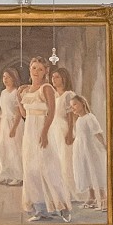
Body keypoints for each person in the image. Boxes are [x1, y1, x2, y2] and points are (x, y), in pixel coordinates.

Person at [19, 56, 70, 222]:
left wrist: (44, 132)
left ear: (45, 72)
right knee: (31, 168)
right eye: (34, 68)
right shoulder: (25, 90)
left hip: (43, 128)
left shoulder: (46, 88)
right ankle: (40, 209)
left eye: (40, 69)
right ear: (30, 69)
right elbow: (24, 114)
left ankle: (60, 206)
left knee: (48, 167)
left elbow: (52, 112)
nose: (36, 72)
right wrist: (19, 99)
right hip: (29, 131)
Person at [68, 93, 107, 209]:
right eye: (71, 106)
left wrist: (104, 146)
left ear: (83, 104)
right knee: (85, 170)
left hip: (89, 148)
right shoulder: (79, 119)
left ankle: (102, 198)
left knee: (93, 169)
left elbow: (97, 133)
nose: (72, 108)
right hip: (80, 149)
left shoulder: (90, 117)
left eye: (75, 104)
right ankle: (91, 197)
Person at [50, 65, 78, 206]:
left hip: (63, 128)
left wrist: (69, 132)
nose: (53, 80)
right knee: (56, 161)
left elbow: (70, 116)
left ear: (64, 79)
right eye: (53, 77)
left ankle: (70, 191)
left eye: (57, 77)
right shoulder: (53, 95)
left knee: (66, 160)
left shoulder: (69, 95)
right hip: (53, 129)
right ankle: (59, 191)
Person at [0, 66, 25, 187]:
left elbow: (19, 112)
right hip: (4, 123)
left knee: (15, 149)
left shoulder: (16, 92)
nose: (5, 79)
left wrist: (13, 128)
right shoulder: (3, 93)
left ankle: (18, 176)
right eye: (4, 77)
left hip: (14, 123)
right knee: (2, 148)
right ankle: (4, 174)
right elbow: (2, 111)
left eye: (8, 77)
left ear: (14, 78)